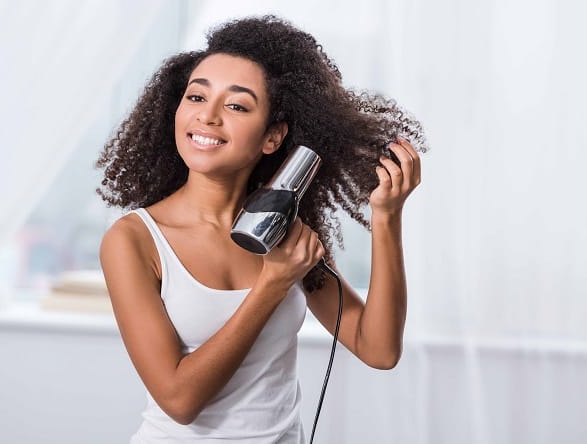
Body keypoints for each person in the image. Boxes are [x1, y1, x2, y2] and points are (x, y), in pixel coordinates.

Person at [96, 15, 426, 444]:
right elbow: (178, 400)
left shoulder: (285, 232)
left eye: (236, 105)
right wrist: (273, 283)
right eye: (196, 96)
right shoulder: (134, 240)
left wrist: (386, 218)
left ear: (273, 137)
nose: (207, 116)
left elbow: (378, 349)